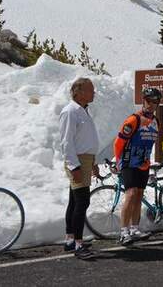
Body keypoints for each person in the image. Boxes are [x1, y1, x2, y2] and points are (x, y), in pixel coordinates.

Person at [113, 87, 161, 245]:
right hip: (129, 163)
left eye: (155, 102)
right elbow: (118, 143)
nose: (151, 104)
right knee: (131, 193)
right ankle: (123, 232)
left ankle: (134, 229)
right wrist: (118, 162)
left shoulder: (156, 121)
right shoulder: (134, 120)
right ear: (143, 101)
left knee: (139, 195)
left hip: (143, 164)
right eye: (148, 101)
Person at [59, 77, 100, 260]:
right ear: (79, 92)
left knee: (75, 201)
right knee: (82, 202)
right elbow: (66, 142)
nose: (94, 93)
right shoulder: (70, 112)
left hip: (85, 160)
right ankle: (78, 244)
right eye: (90, 90)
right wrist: (74, 166)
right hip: (77, 161)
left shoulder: (82, 110)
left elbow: (85, 139)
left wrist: (93, 162)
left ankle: (70, 239)